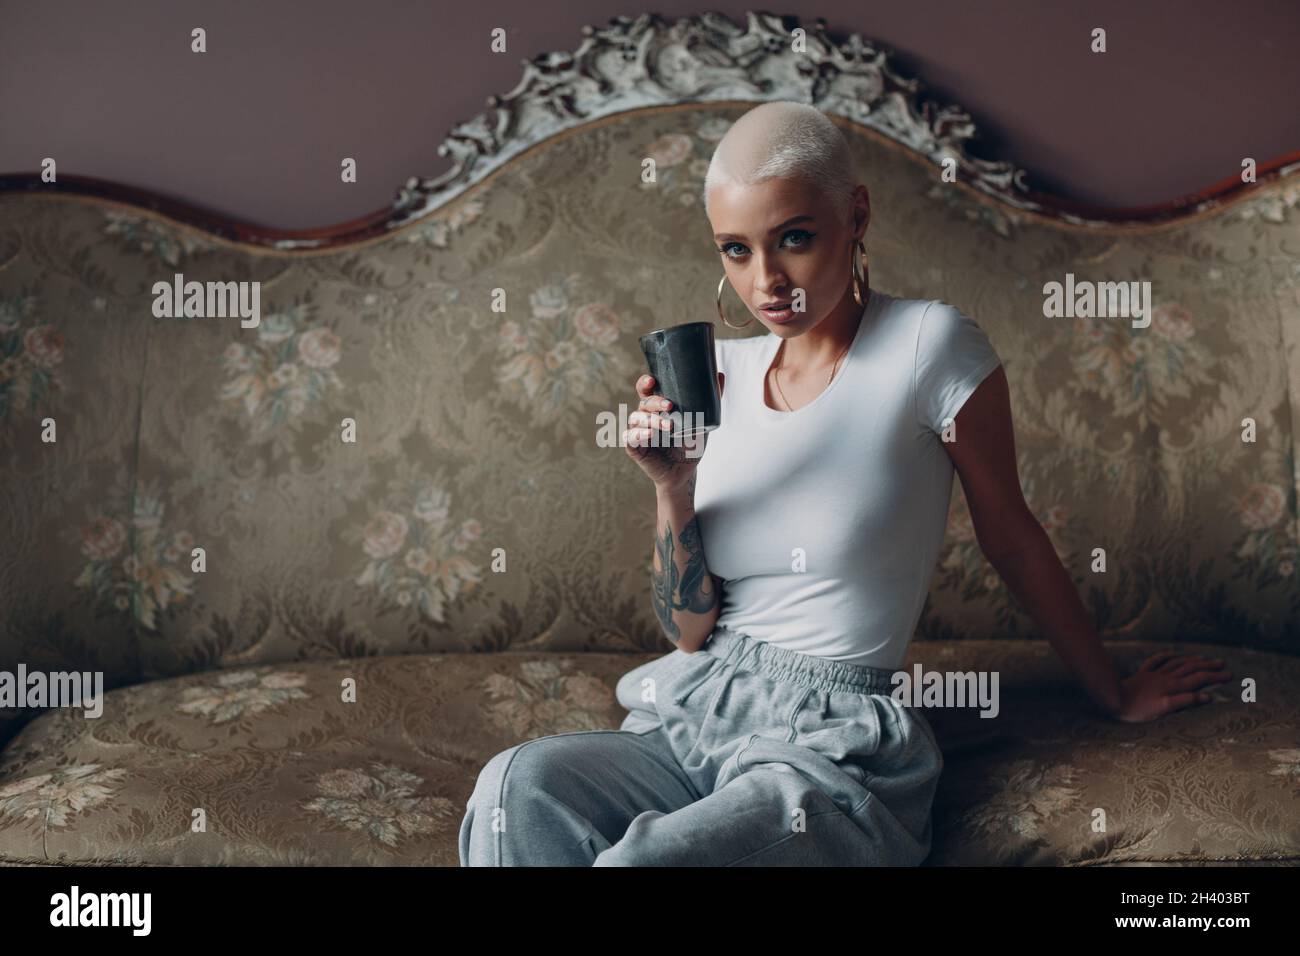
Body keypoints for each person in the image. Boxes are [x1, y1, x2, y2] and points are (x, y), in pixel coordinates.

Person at [458, 101, 1233, 867]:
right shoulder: (718, 374)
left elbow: (1011, 535)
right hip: (697, 712)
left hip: (828, 747)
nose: (767, 281)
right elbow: (686, 632)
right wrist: (672, 486)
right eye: (735, 250)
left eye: (794, 239)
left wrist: (1112, 692)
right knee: (514, 790)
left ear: (855, 215)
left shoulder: (930, 345)